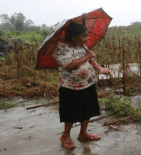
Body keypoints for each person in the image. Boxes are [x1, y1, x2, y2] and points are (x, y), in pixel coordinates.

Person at [52, 21, 111, 150]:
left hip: (88, 83)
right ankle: (65, 136)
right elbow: (69, 65)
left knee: (87, 109)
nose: (87, 38)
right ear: (74, 37)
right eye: (84, 36)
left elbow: (90, 58)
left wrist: (99, 68)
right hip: (70, 87)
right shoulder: (60, 48)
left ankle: (83, 133)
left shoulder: (81, 45)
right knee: (71, 113)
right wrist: (86, 56)